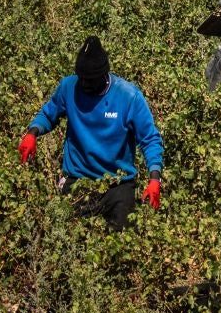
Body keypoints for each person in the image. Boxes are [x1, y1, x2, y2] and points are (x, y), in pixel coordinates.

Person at [19, 36, 164, 231]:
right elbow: (48, 114)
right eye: (82, 78)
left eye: (90, 80)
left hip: (118, 185)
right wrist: (32, 133)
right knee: (69, 242)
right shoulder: (68, 87)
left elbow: (150, 139)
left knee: (122, 244)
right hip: (78, 181)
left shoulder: (128, 95)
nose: (85, 84)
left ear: (103, 74)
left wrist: (154, 178)